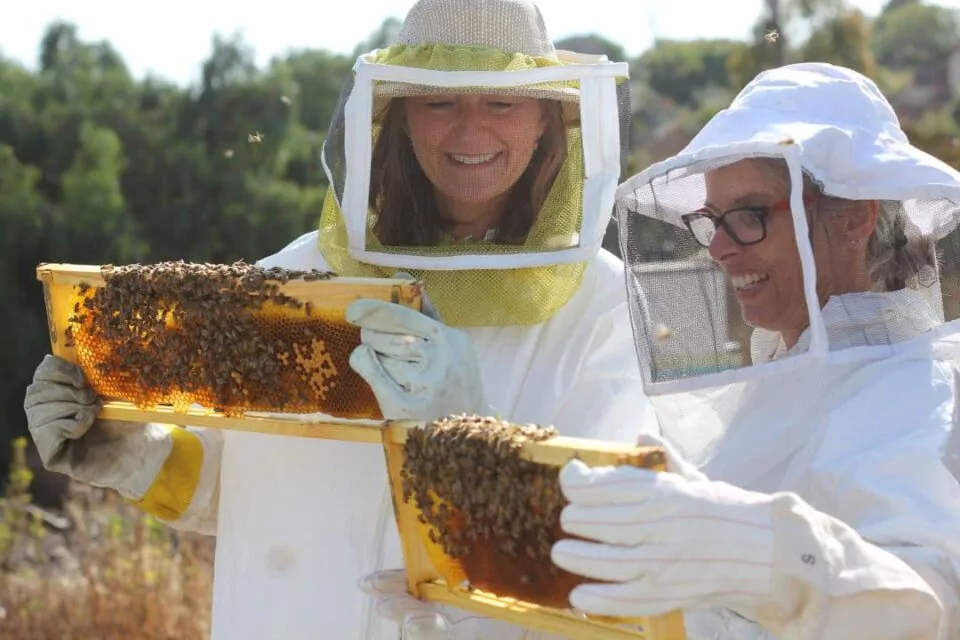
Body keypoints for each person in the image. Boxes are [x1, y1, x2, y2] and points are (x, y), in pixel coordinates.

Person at [23, 1, 653, 638]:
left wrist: (471, 437)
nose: (469, 130)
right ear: (399, 117)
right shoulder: (300, 276)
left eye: (500, 103)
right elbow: (238, 485)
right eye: (438, 102)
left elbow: (607, 542)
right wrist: (132, 452)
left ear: (548, 119)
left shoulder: (603, 309)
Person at [549, 61, 960, 639]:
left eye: (748, 215)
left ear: (855, 219)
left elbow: (924, 603)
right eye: (712, 220)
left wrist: (773, 557)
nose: (718, 247)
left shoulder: (913, 392)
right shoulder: (791, 376)